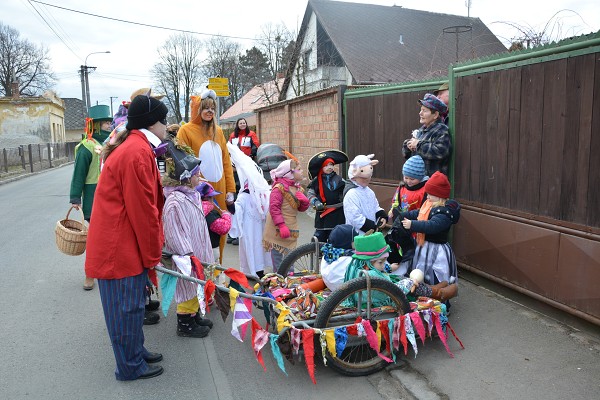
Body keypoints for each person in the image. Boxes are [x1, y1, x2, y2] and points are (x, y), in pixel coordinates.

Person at [85, 93, 168, 380]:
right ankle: (129, 366)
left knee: (131, 308)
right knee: (124, 311)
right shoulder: (136, 152)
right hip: (117, 248)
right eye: (163, 120)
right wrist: (153, 254)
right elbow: (143, 211)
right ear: (151, 123)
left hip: (122, 243)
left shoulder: (136, 146)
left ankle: (135, 352)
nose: (167, 127)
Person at [161, 141, 214, 338]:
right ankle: (184, 324)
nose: (199, 176)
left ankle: (193, 316)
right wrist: (186, 256)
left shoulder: (191, 195)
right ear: (185, 178)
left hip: (199, 249)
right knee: (186, 285)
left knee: (196, 285)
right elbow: (174, 232)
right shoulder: (175, 202)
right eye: (196, 174)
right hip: (187, 256)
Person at [177, 89, 236, 262]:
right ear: (198, 109)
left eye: (212, 108)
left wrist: (231, 189)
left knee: (221, 231)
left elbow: (226, 161)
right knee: (202, 235)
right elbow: (183, 163)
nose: (210, 111)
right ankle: (202, 278)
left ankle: (218, 274)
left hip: (221, 191)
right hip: (200, 194)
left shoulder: (217, 131)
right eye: (205, 107)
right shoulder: (186, 131)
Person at [69, 104, 112, 291]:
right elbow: (78, 174)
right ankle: (90, 274)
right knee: (95, 240)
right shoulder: (86, 146)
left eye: (110, 122)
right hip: (93, 200)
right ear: (95, 125)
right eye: (106, 123)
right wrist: (75, 198)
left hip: (112, 198)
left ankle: (109, 271)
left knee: (111, 239)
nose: (110, 126)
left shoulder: (112, 144)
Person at [399, 171, 460, 301]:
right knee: (421, 273)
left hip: (437, 251)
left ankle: (442, 303)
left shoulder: (445, 213)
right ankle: (421, 299)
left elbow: (432, 226)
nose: (427, 197)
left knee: (437, 275)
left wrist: (412, 225)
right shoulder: (429, 205)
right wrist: (402, 215)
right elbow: (418, 213)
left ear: (439, 196)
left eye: (430, 194)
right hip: (424, 247)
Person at [227, 142, 272, 279]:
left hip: (260, 228)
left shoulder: (261, 194)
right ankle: (251, 272)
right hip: (249, 230)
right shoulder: (244, 197)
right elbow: (237, 210)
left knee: (260, 249)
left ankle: (260, 270)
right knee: (251, 249)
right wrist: (230, 204)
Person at [262, 159, 310, 271]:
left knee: (291, 258)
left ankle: (289, 282)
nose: (302, 171)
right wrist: (281, 225)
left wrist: (305, 203)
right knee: (278, 261)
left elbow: (298, 208)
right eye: (299, 169)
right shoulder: (278, 188)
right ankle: (278, 283)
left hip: (291, 227)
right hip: (276, 229)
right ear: (290, 173)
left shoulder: (297, 188)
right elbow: (274, 208)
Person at [402, 93, 451, 176]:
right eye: (421, 110)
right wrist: (408, 146)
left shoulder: (441, 129)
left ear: (435, 115)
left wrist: (418, 144)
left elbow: (441, 152)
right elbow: (410, 154)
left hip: (432, 182)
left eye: (424, 111)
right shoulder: (422, 129)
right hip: (418, 182)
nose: (420, 113)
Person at [306, 149, 348, 242]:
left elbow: (348, 191)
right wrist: (315, 201)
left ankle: (335, 255)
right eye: (326, 165)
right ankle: (319, 254)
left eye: (331, 165)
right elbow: (310, 194)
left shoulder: (340, 180)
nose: (329, 167)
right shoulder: (316, 181)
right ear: (321, 167)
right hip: (322, 214)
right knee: (320, 238)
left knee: (336, 237)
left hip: (338, 214)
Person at [343, 154, 388, 235]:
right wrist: (371, 226)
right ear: (354, 177)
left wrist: (381, 216)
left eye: (368, 177)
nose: (366, 180)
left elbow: (375, 207)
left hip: (371, 233)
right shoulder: (351, 194)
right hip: (357, 234)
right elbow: (354, 217)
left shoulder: (369, 191)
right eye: (363, 178)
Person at [196, 182, 232, 263]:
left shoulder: (194, 210)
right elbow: (223, 228)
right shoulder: (210, 214)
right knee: (213, 273)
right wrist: (226, 215)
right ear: (208, 198)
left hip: (197, 249)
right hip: (211, 249)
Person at [388, 155, 428, 220]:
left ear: (420, 178)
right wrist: (392, 209)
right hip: (401, 221)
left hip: (416, 222)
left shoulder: (425, 190)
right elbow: (395, 201)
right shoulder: (402, 187)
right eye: (406, 178)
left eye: (412, 179)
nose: (408, 181)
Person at [320, 224, 357, 291]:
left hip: (329, 283)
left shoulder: (328, 251)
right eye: (354, 240)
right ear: (347, 242)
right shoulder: (349, 258)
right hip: (344, 289)